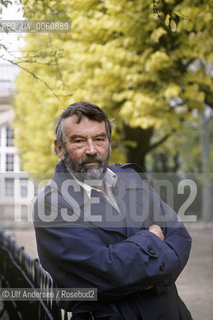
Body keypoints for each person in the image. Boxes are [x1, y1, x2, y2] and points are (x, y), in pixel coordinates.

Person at [34, 101, 192, 320]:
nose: (91, 150)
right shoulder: (52, 205)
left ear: (108, 142)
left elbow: (180, 236)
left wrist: (142, 275)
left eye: (99, 139)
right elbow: (107, 271)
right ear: (60, 148)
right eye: (79, 141)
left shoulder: (130, 178)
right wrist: (151, 239)